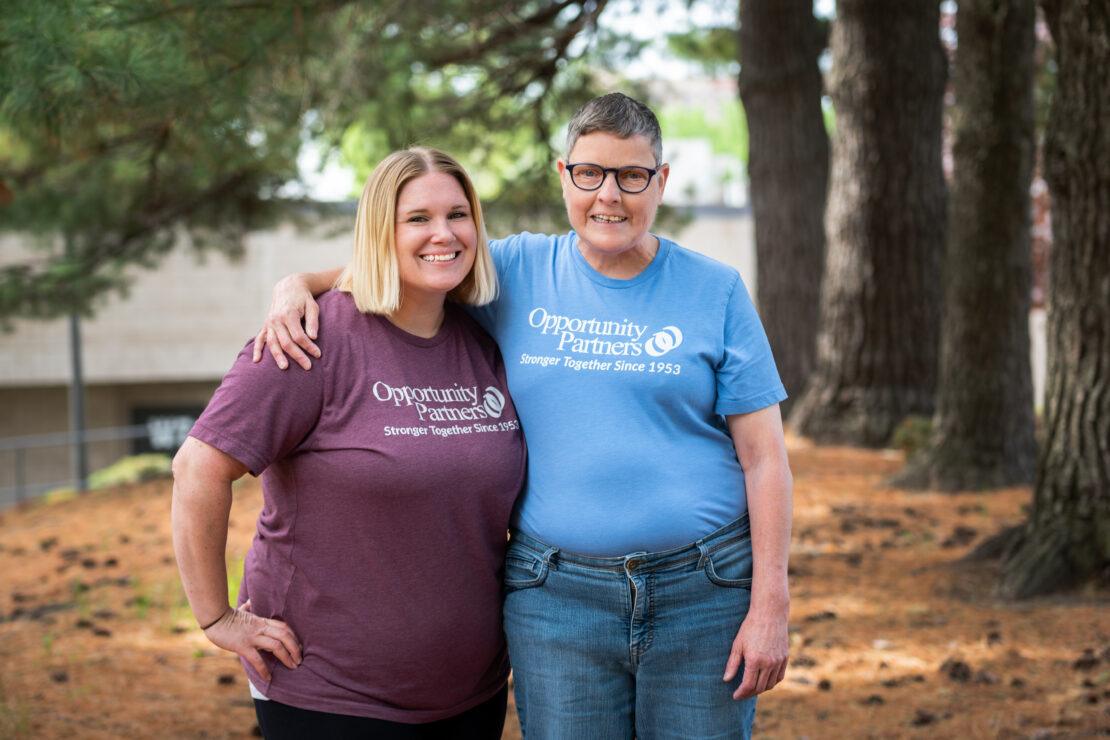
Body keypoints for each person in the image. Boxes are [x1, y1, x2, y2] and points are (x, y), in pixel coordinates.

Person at [256, 93, 792, 739]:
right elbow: (402, 263)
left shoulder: (716, 289)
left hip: (704, 594)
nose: (609, 197)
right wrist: (298, 283)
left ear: (661, 181)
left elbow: (765, 459)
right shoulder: (512, 270)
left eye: (632, 176)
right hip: (557, 600)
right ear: (562, 176)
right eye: (589, 173)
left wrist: (770, 604)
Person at [171, 147, 526, 739]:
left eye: (458, 215)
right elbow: (196, 469)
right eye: (417, 218)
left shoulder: (482, 340)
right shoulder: (313, 338)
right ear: (379, 229)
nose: (443, 234)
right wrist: (216, 617)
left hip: (471, 691)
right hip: (329, 692)